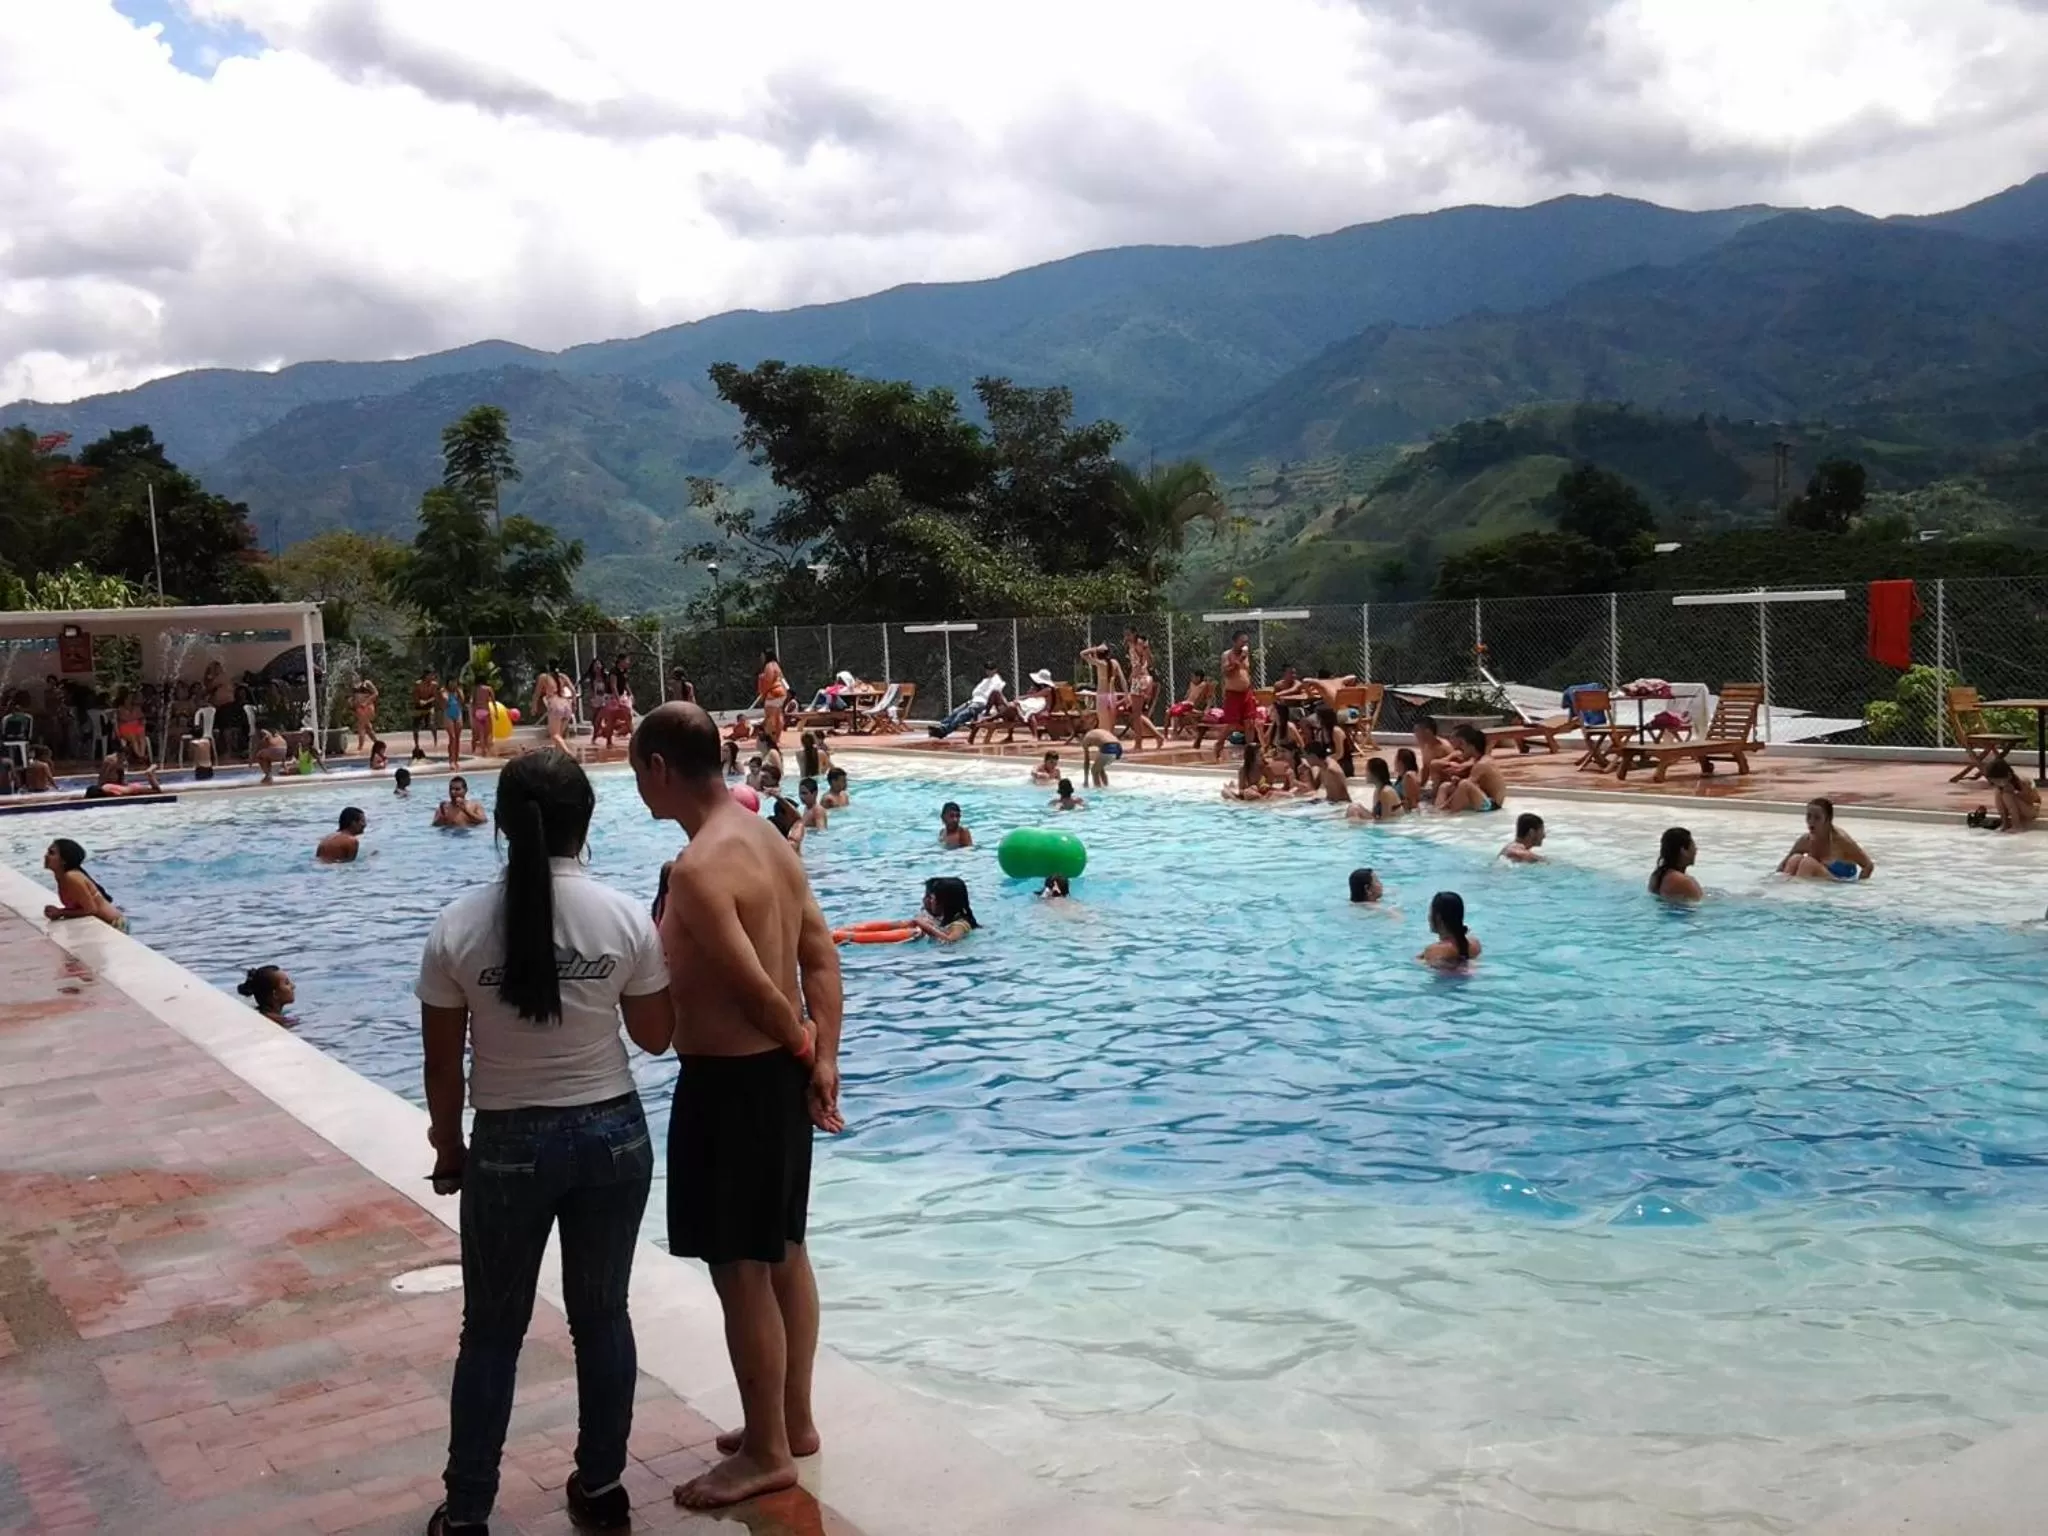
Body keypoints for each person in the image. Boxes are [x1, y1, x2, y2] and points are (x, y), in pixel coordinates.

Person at [416, 749, 675, 1535]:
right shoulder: (623, 917)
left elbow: (441, 1065)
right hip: (612, 1138)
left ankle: (468, 1513)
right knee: (602, 1318)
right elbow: (655, 1037)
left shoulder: (458, 925)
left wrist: (449, 1148)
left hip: (507, 1144)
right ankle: (602, 1488)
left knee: (492, 1332)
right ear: (585, 822)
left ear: (500, 824)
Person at [628, 702, 844, 1510]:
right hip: (778, 1082)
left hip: (732, 1086)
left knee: (740, 1270)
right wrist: (823, 1058)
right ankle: (792, 1421)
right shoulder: (770, 841)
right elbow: (818, 957)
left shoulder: (698, 868)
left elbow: (755, 988)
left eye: (636, 772)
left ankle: (765, 1453)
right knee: (784, 1250)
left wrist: (802, 1052)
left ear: (658, 768)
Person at [1778, 797, 1875, 881]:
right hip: (1821, 882)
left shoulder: (1841, 841)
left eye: (1817, 818)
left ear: (1828, 820)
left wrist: (1857, 888)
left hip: (1840, 883)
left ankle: (1796, 891)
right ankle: (1787, 892)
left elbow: (1868, 866)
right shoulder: (1805, 840)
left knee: (1808, 863)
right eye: (1809, 816)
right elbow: (1782, 867)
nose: (1811, 821)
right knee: (1794, 859)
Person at [41, 839, 124, 930]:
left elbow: (91, 909)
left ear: (64, 860)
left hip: (115, 924)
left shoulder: (72, 877)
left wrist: (60, 912)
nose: (46, 855)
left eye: (51, 853)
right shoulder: (62, 877)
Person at [1435, 725, 1507, 814]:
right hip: (1484, 797)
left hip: (1492, 805)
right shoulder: (1478, 760)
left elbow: (1466, 786)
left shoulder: (1482, 764)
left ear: (1469, 745)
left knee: (1465, 784)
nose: (1460, 752)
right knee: (1445, 786)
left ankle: (1451, 814)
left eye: (1461, 748)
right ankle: (1437, 811)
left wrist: (1445, 805)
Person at [930, 662, 1008, 739]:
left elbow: (991, 696)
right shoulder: (985, 680)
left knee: (961, 715)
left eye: (990, 669)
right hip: (973, 701)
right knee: (955, 711)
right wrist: (972, 701)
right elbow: (976, 692)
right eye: (987, 669)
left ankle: (944, 731)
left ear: (995, 670)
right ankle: (941, 726)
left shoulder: (997, 681)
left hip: (981, 704)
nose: (988, 671)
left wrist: (984, 708)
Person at [1211, 632, 1255, 762]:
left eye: (1246, 642)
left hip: (1246, 692)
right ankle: (1219, 744)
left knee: (1250, 723)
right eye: (1242, 641)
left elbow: (1246, 672)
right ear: (1235, 642)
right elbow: (1227, 673)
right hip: (1233, 694)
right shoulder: (1227, 655)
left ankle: (1250, 753)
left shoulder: (1246, 654)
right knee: (1232, 725)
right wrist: (1239, 660)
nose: (1245, 644)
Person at [1971, 760, 2041, 832]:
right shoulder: (2003, 784)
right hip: (2021, 806)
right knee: (1999, 793)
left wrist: (2014, 792)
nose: (1997, 783)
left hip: (2031, 809)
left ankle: (2017, 825)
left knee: (2007, 796)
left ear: (2009, 776)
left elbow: (2031, 800)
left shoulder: (2022, 781)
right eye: (1994, 781)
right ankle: (2005, 822)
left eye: (1998, 781)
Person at [1420, 891, 1480, 969]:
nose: (1429, 917)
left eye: (1431, 913)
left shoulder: (1435, 950)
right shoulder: (1474, 944)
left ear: (1438, 918)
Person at [914, 876, 979, 941]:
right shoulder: (941, 918)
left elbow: (950, 940)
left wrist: (923, 925)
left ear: (944, 903)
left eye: (931, 898)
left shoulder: (959, 925)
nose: (926, 900)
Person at [1078, 644, 1124, 734]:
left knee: (1103, 724)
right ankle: (1111, 738)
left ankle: (1105, 739)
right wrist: (1126, 693)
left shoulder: (1100, 664)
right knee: (1111, 724)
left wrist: (1095, 649)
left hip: (1102, 695)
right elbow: (1122, 679)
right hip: (1112, 695)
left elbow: (1082, 653)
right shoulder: (1114, 663)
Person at [1649, 827, 1703, 901]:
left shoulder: (1656, 876)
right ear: (1683, 851)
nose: (1696, 850)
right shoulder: (1683, 881)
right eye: (1693, 847)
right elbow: (1698, 904)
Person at [82, 754, 161, 799]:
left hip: (118, 788)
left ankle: (150, 773)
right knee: (155, 790)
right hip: (127, 789)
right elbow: (157, 791)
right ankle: (150, 773)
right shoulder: (109, 787)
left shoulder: (104, 786)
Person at [1350, 756, 1401, 821]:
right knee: (1354, 808)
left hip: (1395, 824)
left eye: (1367, 770)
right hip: (1382, 822)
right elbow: (1375, 815)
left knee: (1354, 809)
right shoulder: (1377, 791)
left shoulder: (1386, 792)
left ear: (1374, 773)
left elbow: (1386, 820)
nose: (1365, 773)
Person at [756, 650, 789, 739]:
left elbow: (768, 681)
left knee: (770, 717)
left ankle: (771, 737)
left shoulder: (769, 665)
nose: (761, 658)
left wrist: (763, 694)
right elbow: (782, 679)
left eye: (763, 656)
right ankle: (777, 737)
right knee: (778, 715)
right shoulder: (776, 665)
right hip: (782, 692)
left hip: (773, 693)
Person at [1412, 718, 1454, 787]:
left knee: (1434, 763)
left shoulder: (1444, 747)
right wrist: (1420, 786)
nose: (1415, 734)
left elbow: (1455, 770)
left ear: (1427, 731)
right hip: (1436, 784)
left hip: (1447, 785)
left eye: (1417, 730)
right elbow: (1426, 768)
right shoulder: (1424, 745)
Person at [411, 670, 440, 753]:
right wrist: (419, 701)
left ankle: (435, 740)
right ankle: (416, 744)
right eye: (430, 675)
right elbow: (415, 695)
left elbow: (435, 696)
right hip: (419, 705)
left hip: (429, 705)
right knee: (415, 728)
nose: (432, 677)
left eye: (432, 675)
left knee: (431, 724)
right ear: (426, 676)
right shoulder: (418, 684)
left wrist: (427, 701)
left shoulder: (434, 685)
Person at [470, 676, 496, 761]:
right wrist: (496, 712)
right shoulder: (488, 688)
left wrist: (473, 713)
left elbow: (472, 701)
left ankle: (479, 751)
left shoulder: (474, 689)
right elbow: (493, 701)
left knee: (479, 733)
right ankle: (486, 751)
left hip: (478, 712)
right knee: (488, 733)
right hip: (486, 711)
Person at [351, 676, 379, 752]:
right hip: (359, 708)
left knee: (361, 726)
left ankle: (360, 748)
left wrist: (366, 702)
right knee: (368, 728)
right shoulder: (354, 685)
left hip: (366, 707)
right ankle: (377, 743)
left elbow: (376, 693)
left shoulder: (366, 683)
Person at [443, 678, 466, 768]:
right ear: (448, 683)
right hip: (448, 714)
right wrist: (447, 694)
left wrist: (459, 691)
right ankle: (451, 760)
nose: (453, 684)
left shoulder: (458, 690)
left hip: (458, 713)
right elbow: (445, 700)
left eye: (454, 682)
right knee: (452, 737)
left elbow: (462, 700)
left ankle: (456, 759)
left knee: (457, 738)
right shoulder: (444, 691)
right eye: (451, 682)